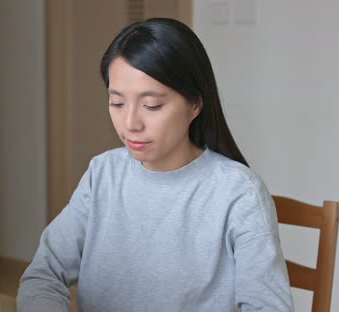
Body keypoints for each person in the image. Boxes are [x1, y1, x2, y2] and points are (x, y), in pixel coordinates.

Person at [17, 18, 293, 311]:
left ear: (195, 104)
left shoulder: (238, 192)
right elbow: (43, 275)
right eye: (117, 103)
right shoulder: (103, 174)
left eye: (152, 106)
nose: (130, 124)